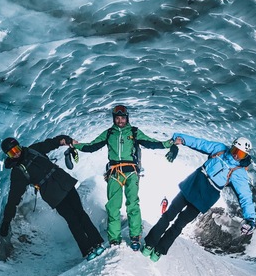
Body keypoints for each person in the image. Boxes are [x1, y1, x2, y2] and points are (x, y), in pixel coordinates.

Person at [72, 105, 177, 251]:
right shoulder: (109, 133)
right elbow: (92, 146)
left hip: (131, 172)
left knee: (133, 204)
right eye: (117, 118)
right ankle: (114, 239)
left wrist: (168, 144)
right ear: (114, 118)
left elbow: (151, 142)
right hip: (114, 173)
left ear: (127, 118)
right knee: (113, 207)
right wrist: (75, 146)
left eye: (122, 118)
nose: (120, 120)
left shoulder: (134, 132)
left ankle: (135, 237)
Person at [142, 134, 256, 262]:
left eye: (240, 154)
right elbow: (201, 143)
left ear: (245, 155)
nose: (236, 155)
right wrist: (182, 139)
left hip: (205, 197)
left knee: (179, 225)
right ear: (232, 147)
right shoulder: (220, 149)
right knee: (168, 215)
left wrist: (250, 219)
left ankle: (159, 250)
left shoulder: (239, 172)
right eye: (235, 150)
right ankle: (149, 243)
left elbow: (245, 196)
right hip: (192, 185)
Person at [0, 135, 105, 261]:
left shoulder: (34, 149)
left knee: (80, 213)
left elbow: (53, 142)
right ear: (8, 155)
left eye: (16, 149)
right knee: (72, 220)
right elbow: (13, 199)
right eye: (12, 153)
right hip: (52, 194)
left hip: (64, 183)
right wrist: (6, 221)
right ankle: (87, 250)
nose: (16, 154)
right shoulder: (18, 172)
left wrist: (67, 140)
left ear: (19, 146)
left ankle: (97, 242)